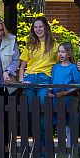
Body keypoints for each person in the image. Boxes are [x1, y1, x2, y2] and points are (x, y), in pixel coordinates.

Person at [20, 17, 59, 150]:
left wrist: (77, 65)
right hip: (29, 78)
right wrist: (21, 80)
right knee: (33, 114)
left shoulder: (54, 45)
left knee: (44, 115)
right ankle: (36, 151)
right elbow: (23, 65)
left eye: (40, 27)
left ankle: (47, 151)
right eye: (36, 27)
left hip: (45, 79)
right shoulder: (30, 45)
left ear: (46, 28)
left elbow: (65, 60)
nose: (38, 29)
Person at [48, 41, 80, 158]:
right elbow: (52, 82)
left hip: (68, 101)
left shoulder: (73, 68)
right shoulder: (56, 67)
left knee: (69, 129)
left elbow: (78, 84)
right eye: (59, 51)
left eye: (63, 52)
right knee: (60, 130)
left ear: (69, 53)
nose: (61, 54)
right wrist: (50, 91)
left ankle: (71, 157)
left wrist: (66, 92)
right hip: (56, 101)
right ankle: (60, 157)